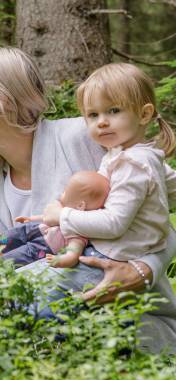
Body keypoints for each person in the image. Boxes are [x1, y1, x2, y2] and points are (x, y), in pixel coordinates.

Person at [0, 47, 176, 353]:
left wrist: (143, 270)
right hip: (46, 338)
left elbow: (157, 217)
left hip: (133, 324)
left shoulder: (86, 137)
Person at [22, 63, 176, 317]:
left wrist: (62, 216)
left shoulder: (132, 164)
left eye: (113, 111)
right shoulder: (136, 157)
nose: (102, 122)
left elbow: (114, 223)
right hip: (113, 252)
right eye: (93, 115)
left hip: (113, 257)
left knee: (38, 296)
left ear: (144, 114)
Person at [0, 170, 109, 268]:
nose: (61, 194)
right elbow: (47, 218)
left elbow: (73, 253)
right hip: (36, 230)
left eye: (65, 192)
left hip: (40, 248)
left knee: (20, 256)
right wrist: (30, 219)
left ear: (80, 206)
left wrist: (61, 260)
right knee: (15, 234)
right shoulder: (62, 212)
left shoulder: (78, 232)